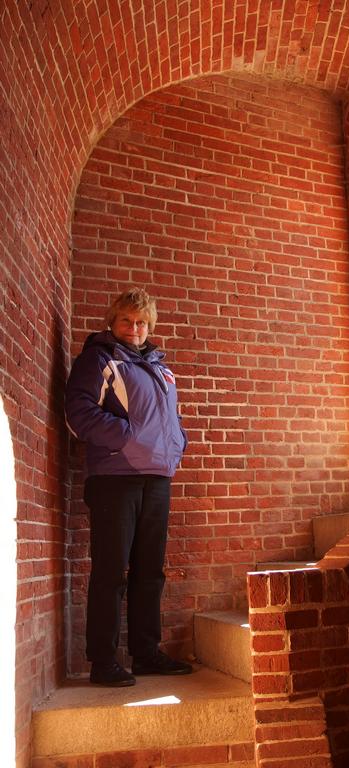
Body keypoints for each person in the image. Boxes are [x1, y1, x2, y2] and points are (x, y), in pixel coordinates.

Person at [65, 287, 192, 686]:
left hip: (157, 478)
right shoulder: (99, 359)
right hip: (115, 478)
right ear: (113, 322)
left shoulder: (160, 367)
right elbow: (78, 412)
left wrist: (178, 444)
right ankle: (103, 661)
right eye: (126, 320)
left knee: (150, 571)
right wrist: (126, 437)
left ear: (149, 325)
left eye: (141, 322)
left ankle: (145, 653)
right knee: (111, 571)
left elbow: (172, 417)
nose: (134, 328)